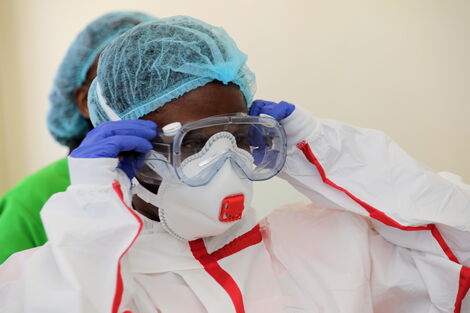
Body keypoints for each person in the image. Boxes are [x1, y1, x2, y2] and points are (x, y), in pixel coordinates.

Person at [0, 16, 469, 313]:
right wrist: (89, 216)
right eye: (193, 143)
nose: (226, 162)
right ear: (128, 153)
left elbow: (459, 253)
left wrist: (330, 151)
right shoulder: (68, 277)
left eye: (241, 136)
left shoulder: (331, 249)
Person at [0, 12, 155, 264]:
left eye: (157, 78)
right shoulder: (28, 204)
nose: (148, 95)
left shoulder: (177, 179)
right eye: (125, 80)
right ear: (86, 102)